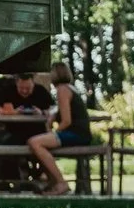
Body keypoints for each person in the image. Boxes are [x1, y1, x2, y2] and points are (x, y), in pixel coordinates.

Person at [24, 63, 94, 196]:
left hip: (76, 134)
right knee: (37, 143)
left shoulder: (62, 90)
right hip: (80, 133)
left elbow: (67, 121)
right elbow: (64, 112)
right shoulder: (70, 88)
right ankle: (53, 182)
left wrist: (54, 133)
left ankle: (61, 182)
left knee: (34, 142)